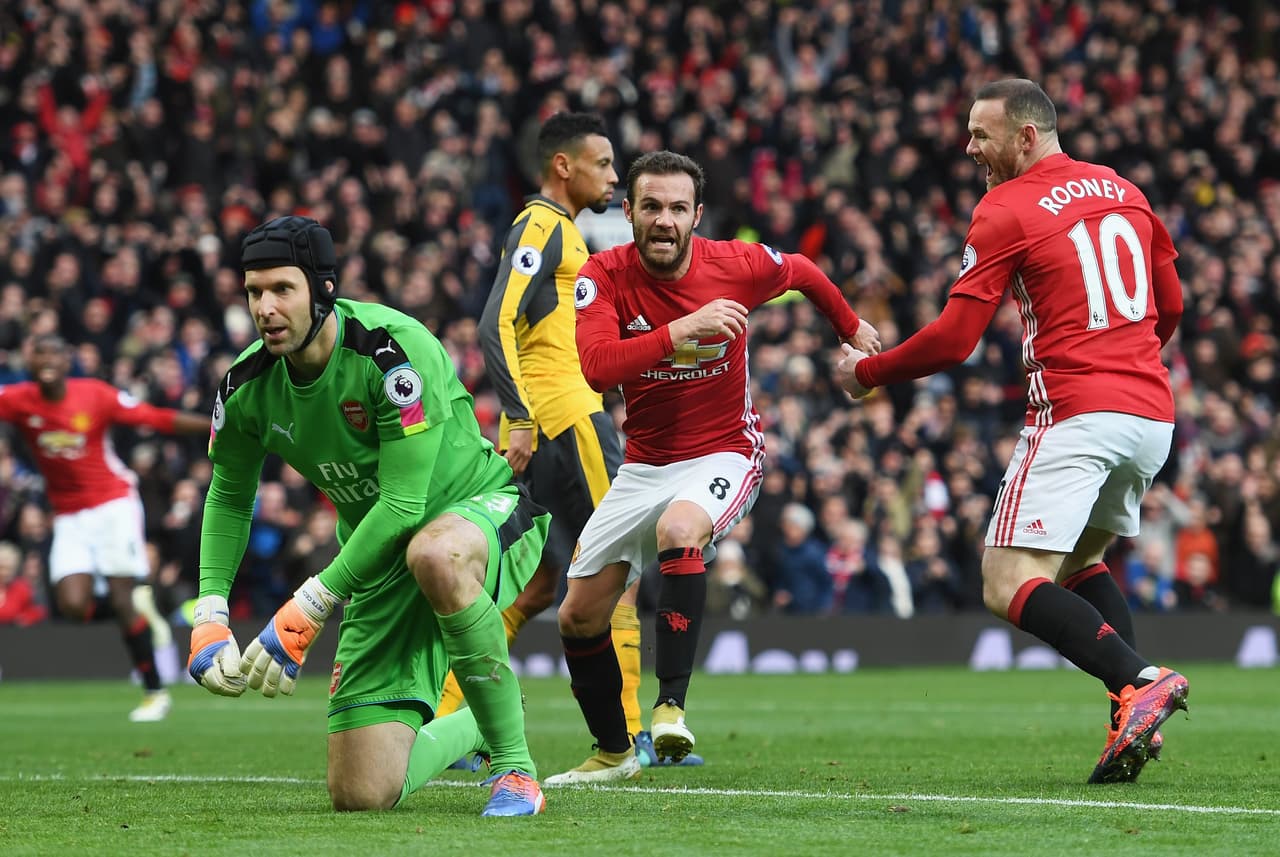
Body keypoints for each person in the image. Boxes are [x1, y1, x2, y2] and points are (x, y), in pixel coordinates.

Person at [835, 79, 1189, 784]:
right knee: (1080, 564)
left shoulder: (1007, 207)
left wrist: (868, 373)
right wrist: (1133, 364)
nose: (970, 148)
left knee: (1006, 580)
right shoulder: (1123, 189)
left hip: (1077, 410)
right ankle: (1131, 706)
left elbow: (954, 340)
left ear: (1026, 136)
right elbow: (1169, 305)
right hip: (1150, 413)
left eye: (980, 134)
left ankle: (1138, 680)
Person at [186, 215, 550, 817]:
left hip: (480, 515)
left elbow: (406, 505)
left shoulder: (391, 353)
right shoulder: (246, 387)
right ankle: (477, 725)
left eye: (282, 289)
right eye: (253, 293)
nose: (265, 308)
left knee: (433, 553)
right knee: (361, 793)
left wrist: (310, 604)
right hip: (375, 559)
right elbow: (227, 495)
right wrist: (209, 611)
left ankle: (516, 769)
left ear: (323, 290)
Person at [544, 150, 880, 784]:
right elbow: (595, 367)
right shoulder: (602, 274)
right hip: (643, 465)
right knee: (577, 615)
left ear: (696, 216)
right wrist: (682, 330)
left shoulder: (736, 263)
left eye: (677, 208)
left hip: (724, 450)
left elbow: (804, 270)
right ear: (629, 212)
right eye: (651, 207)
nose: (664, 220)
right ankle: (613, 753)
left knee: (680, 529)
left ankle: (670, 708)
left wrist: (852, 326)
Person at [465, 111, 696, 768]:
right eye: (602, 162)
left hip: (558, 419)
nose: (613, 175)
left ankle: (460, 720)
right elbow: (494, 323)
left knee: (536, 585)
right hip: (565, 419)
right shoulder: (542, 225)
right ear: (563, 166)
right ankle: (630, 735)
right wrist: (518, 414)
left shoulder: (561, 231)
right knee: (616, 572)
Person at [0, 333, 209, 721]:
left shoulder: (95, 394)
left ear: (68, 361)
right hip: (68, 516)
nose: (46, 360)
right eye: (38, 353)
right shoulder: (18, 400)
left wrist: (215, 426)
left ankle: (154, 692)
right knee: (73, 605)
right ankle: (133, 607)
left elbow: (155, 417)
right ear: (29, 363)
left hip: (113, 504)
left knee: (120, 595)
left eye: (54, 353)